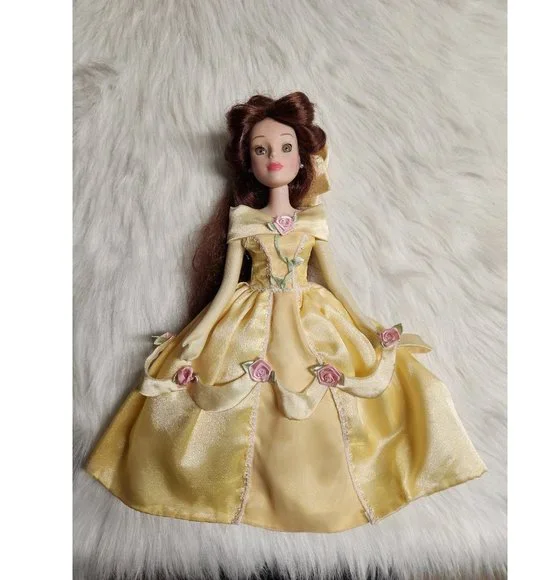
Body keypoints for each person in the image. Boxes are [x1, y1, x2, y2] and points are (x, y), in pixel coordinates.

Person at [85, 91, 487, 533]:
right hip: (250, 313)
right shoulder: (245, 220)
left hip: (310, 312)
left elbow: (334, 283)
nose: (274, 157)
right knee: (227, 397)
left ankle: (327, 489)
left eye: (285, 147)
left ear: (303, 158)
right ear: (247, 161)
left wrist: (364, 324)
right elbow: (226, 287)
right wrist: (197, 334)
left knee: (334, 395)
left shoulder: (312, 220)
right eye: (261, 150)